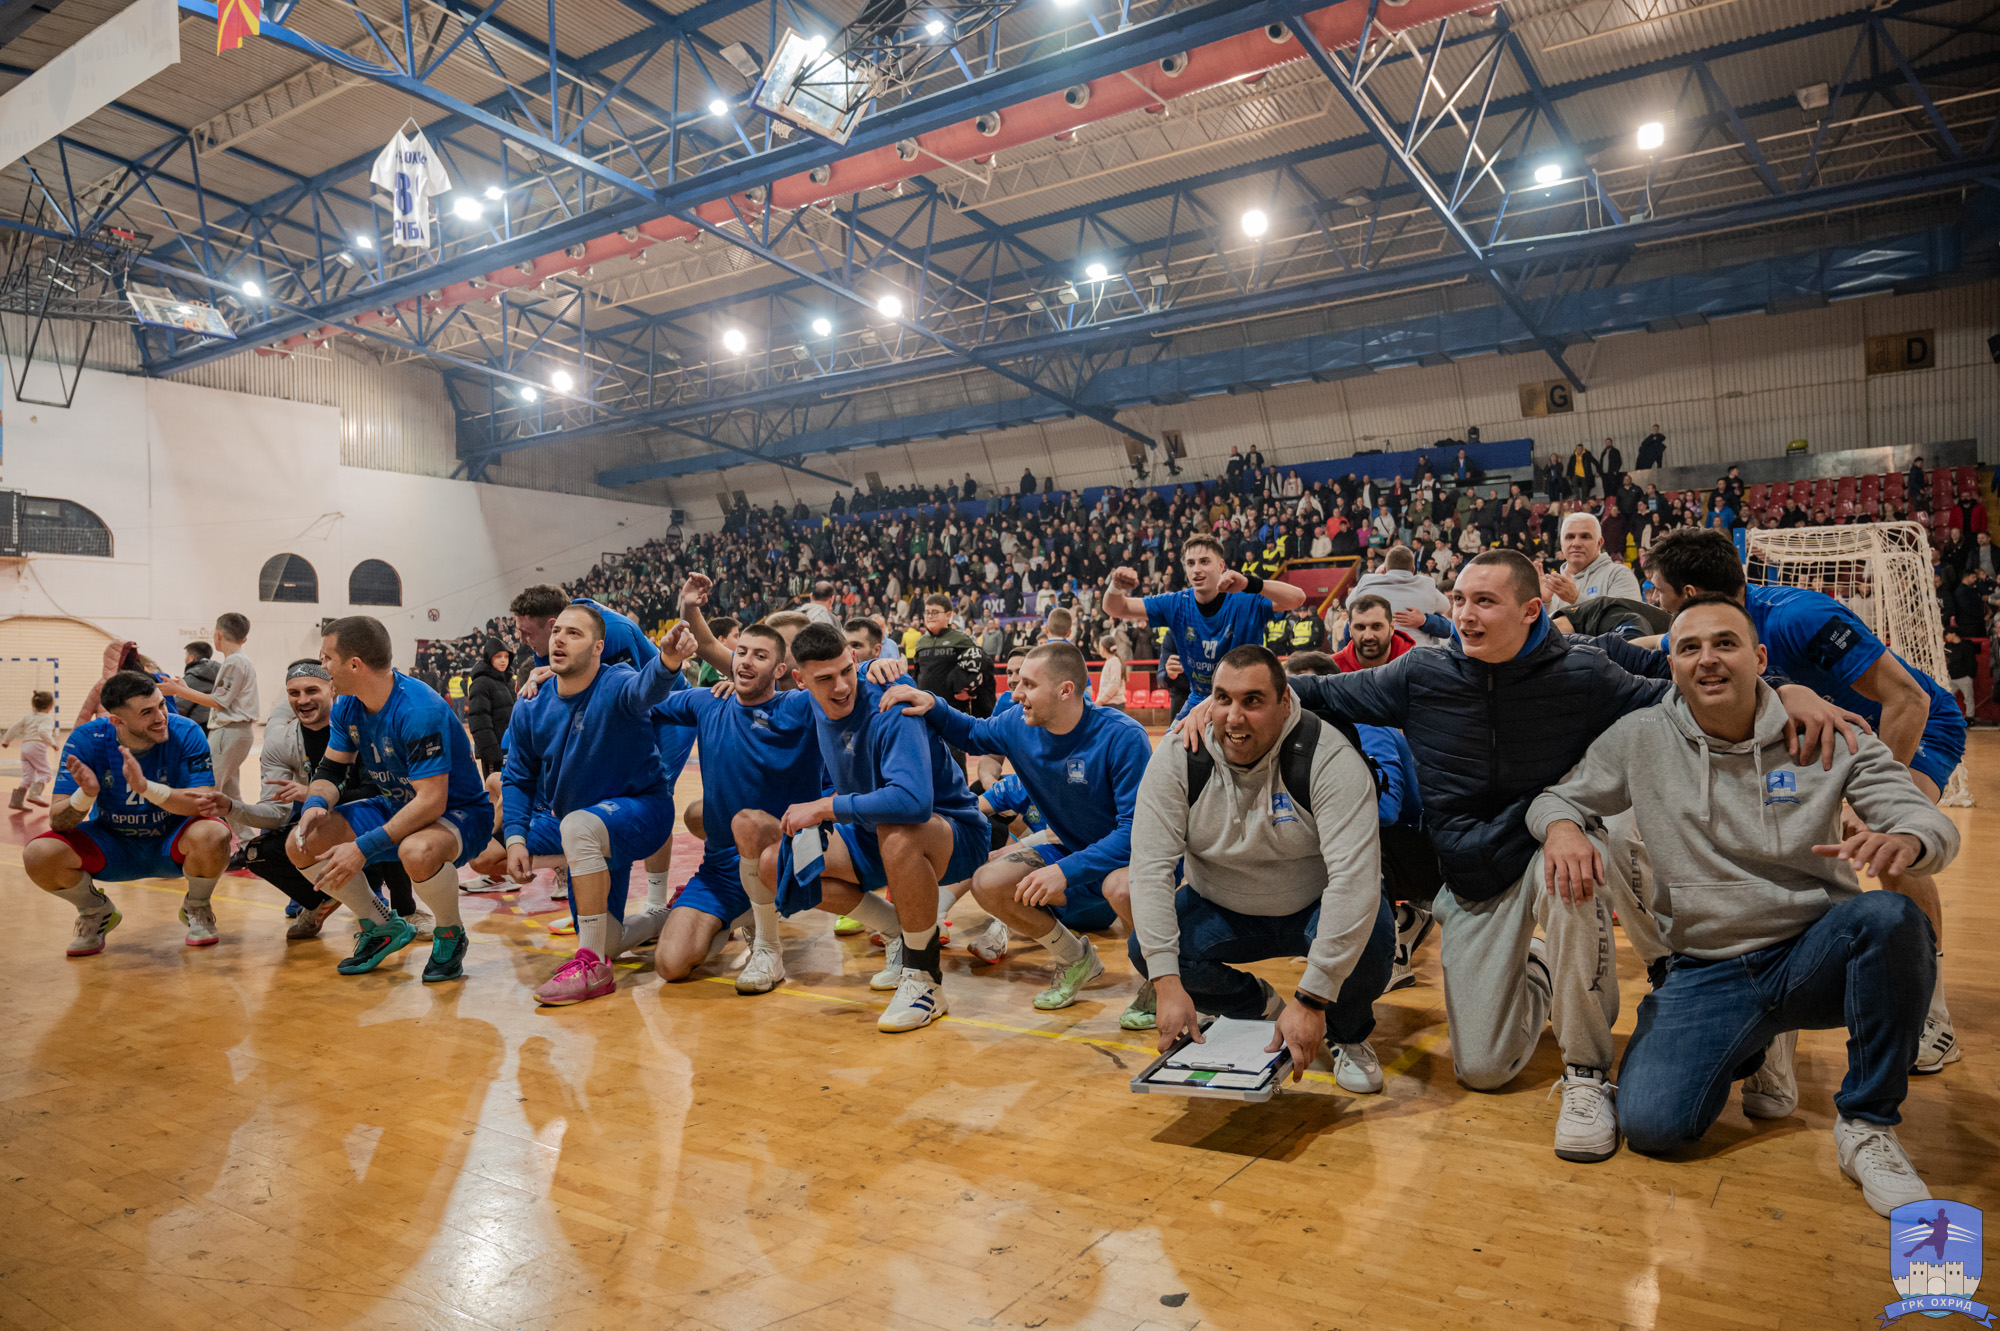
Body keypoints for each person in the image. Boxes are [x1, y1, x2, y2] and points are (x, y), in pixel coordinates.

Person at [1182, 549, 1862, 1161]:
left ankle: (1588, 1072)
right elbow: (1317, 690)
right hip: (1470, 878)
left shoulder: (1584, 672)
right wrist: (1213, 706)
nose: (1465, 615)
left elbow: (1688, 687)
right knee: (1484, 1069)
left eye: (1484, 601)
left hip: (1548, 846)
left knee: (1582, 868)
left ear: (1531, 610)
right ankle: (1541, 971)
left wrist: (1785, 691)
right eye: (1459, 600)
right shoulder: (1420, 673)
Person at [1528, 595, 1958, 1215]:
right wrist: (1563, 828)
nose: (1708, 659)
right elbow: (1556, 797)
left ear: (1759, 658)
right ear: (1671, 665)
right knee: (1653, 1126)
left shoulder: (1826, 733)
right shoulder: (1640, 736)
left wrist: (1911, 839)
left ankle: (1867, 1124)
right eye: (1690, 648)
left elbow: (1920, 816)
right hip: (1707, 967)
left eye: (1725, 644)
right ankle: (1752, 1043)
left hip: (1811, 955)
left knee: (1891, 920)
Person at [1644, 528, 1970, 1075]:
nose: (1655, 600)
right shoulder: (1714, 627)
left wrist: (1862, 804)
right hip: (1823, 742)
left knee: (1889, 849)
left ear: (1690, 591)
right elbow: (1650, 645)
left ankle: (1932, 1016)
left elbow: (1909, 699)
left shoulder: (1801, 617)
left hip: (1914, 727)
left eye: (1659, 590)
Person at [1132, 647, 1395, 1093]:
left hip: (1314, 902)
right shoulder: (1179, 755)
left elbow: (1355, 879)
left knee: (1371, 937)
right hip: (1222, 905)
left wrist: (1311, 999)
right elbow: (1150, 869)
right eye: (1223, 699)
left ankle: (1347, 1034)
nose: (1234, 717)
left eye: (1252, 701)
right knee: (1148, 949)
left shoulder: (1329, 756)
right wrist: (1166, 982)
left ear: (1285, 702)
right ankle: (1258, 1006)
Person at [877, 641, 1152, 1011]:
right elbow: (971, 732)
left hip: (1129, 860)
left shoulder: (1123, 736)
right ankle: (1076, 959)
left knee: (1121, 888)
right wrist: (931, 703)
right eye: (1017, 682)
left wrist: (1064, 871)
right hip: (1071, 852)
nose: (1016, 693)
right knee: (986, 882)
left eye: (1028, 685)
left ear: (1065, 690)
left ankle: (1159, 981)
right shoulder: (1017, 724)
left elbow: (1134, 835)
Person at [766, 624, 989, 1032]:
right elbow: (756, 692)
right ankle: (897, 933)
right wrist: (726, 686)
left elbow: (912, 803)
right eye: (825, 679)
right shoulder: (805, 702)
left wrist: (825, 807)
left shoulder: (891, 699)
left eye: (846, 671)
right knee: (777, 863)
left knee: (899, 830)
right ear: (800, 680)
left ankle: (924, 980)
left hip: (953, 834)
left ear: (855, 660)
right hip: (871, 833)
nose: (841, 686)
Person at [505, 608, 699, 1005]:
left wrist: (667, 660)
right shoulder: (531, 703)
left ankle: (592, 966)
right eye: (557, 631)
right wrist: (514, 840)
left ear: (598, 648)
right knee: (493, 849)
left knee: (578, 827)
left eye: (574, 633)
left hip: (643, 812)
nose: (559, 639)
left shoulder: (616, 681)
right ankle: (663, 918)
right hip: (582, 824)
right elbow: (518, 778)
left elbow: (646, 688)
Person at [287, 616, 493, 979]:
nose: (323, 667)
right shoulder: (347, 705)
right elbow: (332, 770)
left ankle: (450, 932)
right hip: (398, 804)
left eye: (327, 658)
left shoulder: (418, 710)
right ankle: (382, 926)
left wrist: (362, 847)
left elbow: (431, 802)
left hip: (458, 813)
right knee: (301, 841)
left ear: (354, 665)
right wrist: (316, 804)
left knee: (416, 851)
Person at [28, 670, 230, 954]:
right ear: (117, 721)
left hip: (172, 842)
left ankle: (197, 906)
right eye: (147, 712)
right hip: (113, 845)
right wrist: (85, 796)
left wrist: (146, 788)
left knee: (214, 832)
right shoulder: (86, 739)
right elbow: (58, 820)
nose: (161, 717)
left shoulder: (186, 731)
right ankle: (95, 911)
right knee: (39, 854)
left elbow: (205, 803)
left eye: (161, 705)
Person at [223, 660, 422, 941]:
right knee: (258, 851)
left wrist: (311, 795)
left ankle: (404, 910)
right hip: (318, 824)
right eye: (294, 693)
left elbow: (379, 795)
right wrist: (232, 808)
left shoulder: (362, 728)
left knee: (390, 818)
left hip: (363, 823)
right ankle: (319, 900)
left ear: (333, 690)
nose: (302, 700)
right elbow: (275, 813)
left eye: (311, 691)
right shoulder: (281, 742)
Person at [1103, 535, 1306, 719]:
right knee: (1168, 747)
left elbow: (1297, 598)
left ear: (1221, 565)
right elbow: (1117, 607)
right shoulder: (1176, 603)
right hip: (1199, 700)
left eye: (1204, 561)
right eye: (1190, 563)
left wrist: (1249, 583)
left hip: (1247, 700)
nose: (1196, 569)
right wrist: (1116, 586)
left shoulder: (1247, 598)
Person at [157, 613, 259, 834]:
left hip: (230, 731)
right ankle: (247, 841)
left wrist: (177, 691)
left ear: (218, 635)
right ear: (244, 638)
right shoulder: (238, 661)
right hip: (235, 731)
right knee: (230, 794)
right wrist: (184, 688)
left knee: (207, 789)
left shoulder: (234, 661)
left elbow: (218, 702)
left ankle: (201, 838)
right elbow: (220, 699)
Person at [1542, 512, 1642, 612]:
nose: (1576, 543)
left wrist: (1576, 599)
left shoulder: (1619, 575)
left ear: (1599, 543)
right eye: (1570, 537)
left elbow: (1626, 618)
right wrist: (1545, 604)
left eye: (1585, 536)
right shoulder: (1554, 586)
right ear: (1561, 544)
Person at [464, 640, 516, 778]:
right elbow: (479, 721)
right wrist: (492, 754)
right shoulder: (481, 683)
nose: (503, 660)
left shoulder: (510, 682)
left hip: (513, 750)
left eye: (506, 656)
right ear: (489, 657)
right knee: (496, 788)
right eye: (498, 656)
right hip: (495, 755)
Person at [4, 689, 59, 809]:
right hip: (37, 746)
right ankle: (34, 794)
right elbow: (43, 731)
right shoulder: (47, 718)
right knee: (46, 773)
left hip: (25, 747)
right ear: (50, 706)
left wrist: (6, 741)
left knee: (28, 777)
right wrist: (53, 743)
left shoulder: (28, 717)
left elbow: (14, 728)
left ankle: (16, 801)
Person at [1333, 595, 1415, 672]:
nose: (1368, 636)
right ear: (1350, 629)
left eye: (1376, 626)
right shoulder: (1331, 671)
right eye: (1360, 627)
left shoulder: (1416, 665)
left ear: (1391, 627)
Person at [178, 641, 219, 728]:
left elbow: (180, 708)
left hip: (199, 726)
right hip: (218, 723)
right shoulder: (221, 672)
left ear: (191, 658)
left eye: (186, 656)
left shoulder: (193, 676)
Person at [1094, 634, 1129, 708]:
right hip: (1109, 703)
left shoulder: (1114, 662)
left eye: (1099, 647)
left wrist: (1101, 701)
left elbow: (1114, 686)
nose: (1099, 650)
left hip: (1113, 704)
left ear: (1104, 649)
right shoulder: (1110, 661)